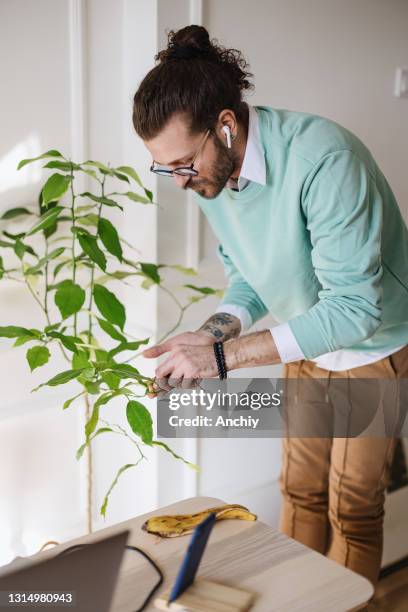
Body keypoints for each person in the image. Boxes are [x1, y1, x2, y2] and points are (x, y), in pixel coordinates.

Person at [132, 25, 408, 587]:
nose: (179, 181)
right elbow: (249, 281)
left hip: (374, 348)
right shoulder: (213, 177)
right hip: (306, 342)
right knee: (300, 494)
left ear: (225, 126)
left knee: (352, 510)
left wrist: (224, 360)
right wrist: (212, 334)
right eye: (166, 169)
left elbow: (356, 310)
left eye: (183, 162)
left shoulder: (325, 159)